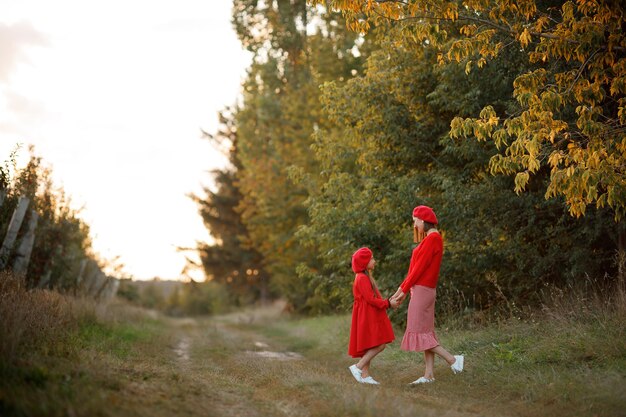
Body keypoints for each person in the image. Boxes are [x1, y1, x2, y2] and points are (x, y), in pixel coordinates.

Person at [390, 205, 464, 384]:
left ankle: (453, 360)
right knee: (425, 332)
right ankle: (428, 375)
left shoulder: (433, 239)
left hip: (423, 291)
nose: (414, 225)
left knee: (419, 331)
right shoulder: (429, 239)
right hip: (421, 290)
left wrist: (402, 291)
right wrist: (402, 293)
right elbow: (413, 271)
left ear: (422, 220)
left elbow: (418, 270)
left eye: (415, 221)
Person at [348, 247, 398, 385]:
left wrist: (387, 302)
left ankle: (365, 376)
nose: (374, 261)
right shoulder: (362, 278)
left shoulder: (364, 276)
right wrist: (387, 303)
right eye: (372, 258)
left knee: (368, 345)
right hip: (367, 314)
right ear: (364, 262)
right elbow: (370, 299)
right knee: (380, 344)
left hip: (366, 313)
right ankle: (357, 367)